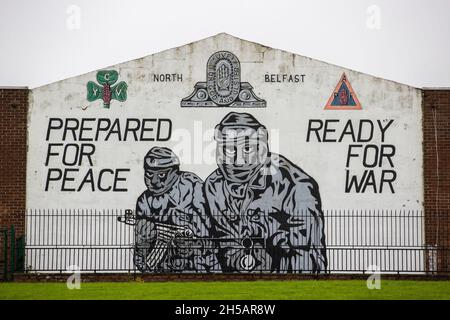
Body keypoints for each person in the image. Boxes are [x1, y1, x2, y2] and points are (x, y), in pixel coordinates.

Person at [204, 112, 327, 273]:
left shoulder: (296, 186)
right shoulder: (214, 185)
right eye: (229, 150)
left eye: (247, 148)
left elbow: (306, 257)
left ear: (261, 145)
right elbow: (224, 243)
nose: (238, 161)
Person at [134, 146, 217, 273]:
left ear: (175, 171)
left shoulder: (191, 185)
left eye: (161, 175)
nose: (154, 181)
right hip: (165, 269)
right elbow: (142, 264)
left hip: (200, 266)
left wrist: (194, 244)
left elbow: (211, 229)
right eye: (149, 174)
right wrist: (142, 246)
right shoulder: (144, 201)